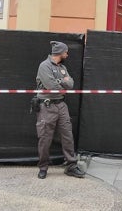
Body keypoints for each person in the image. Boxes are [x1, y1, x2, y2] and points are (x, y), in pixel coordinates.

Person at [35, 41, 85, 179]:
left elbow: (71, 84)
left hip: (61, 105)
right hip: (47, 106)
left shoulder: (62, 67)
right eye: (65, 52)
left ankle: (71, 166)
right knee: (45, 138)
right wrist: (63, 81)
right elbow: (51, 85)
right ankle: (43, 167)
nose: (67, 54)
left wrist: (62, 82)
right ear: (60, 52)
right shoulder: (44, 66)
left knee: (67, 136)